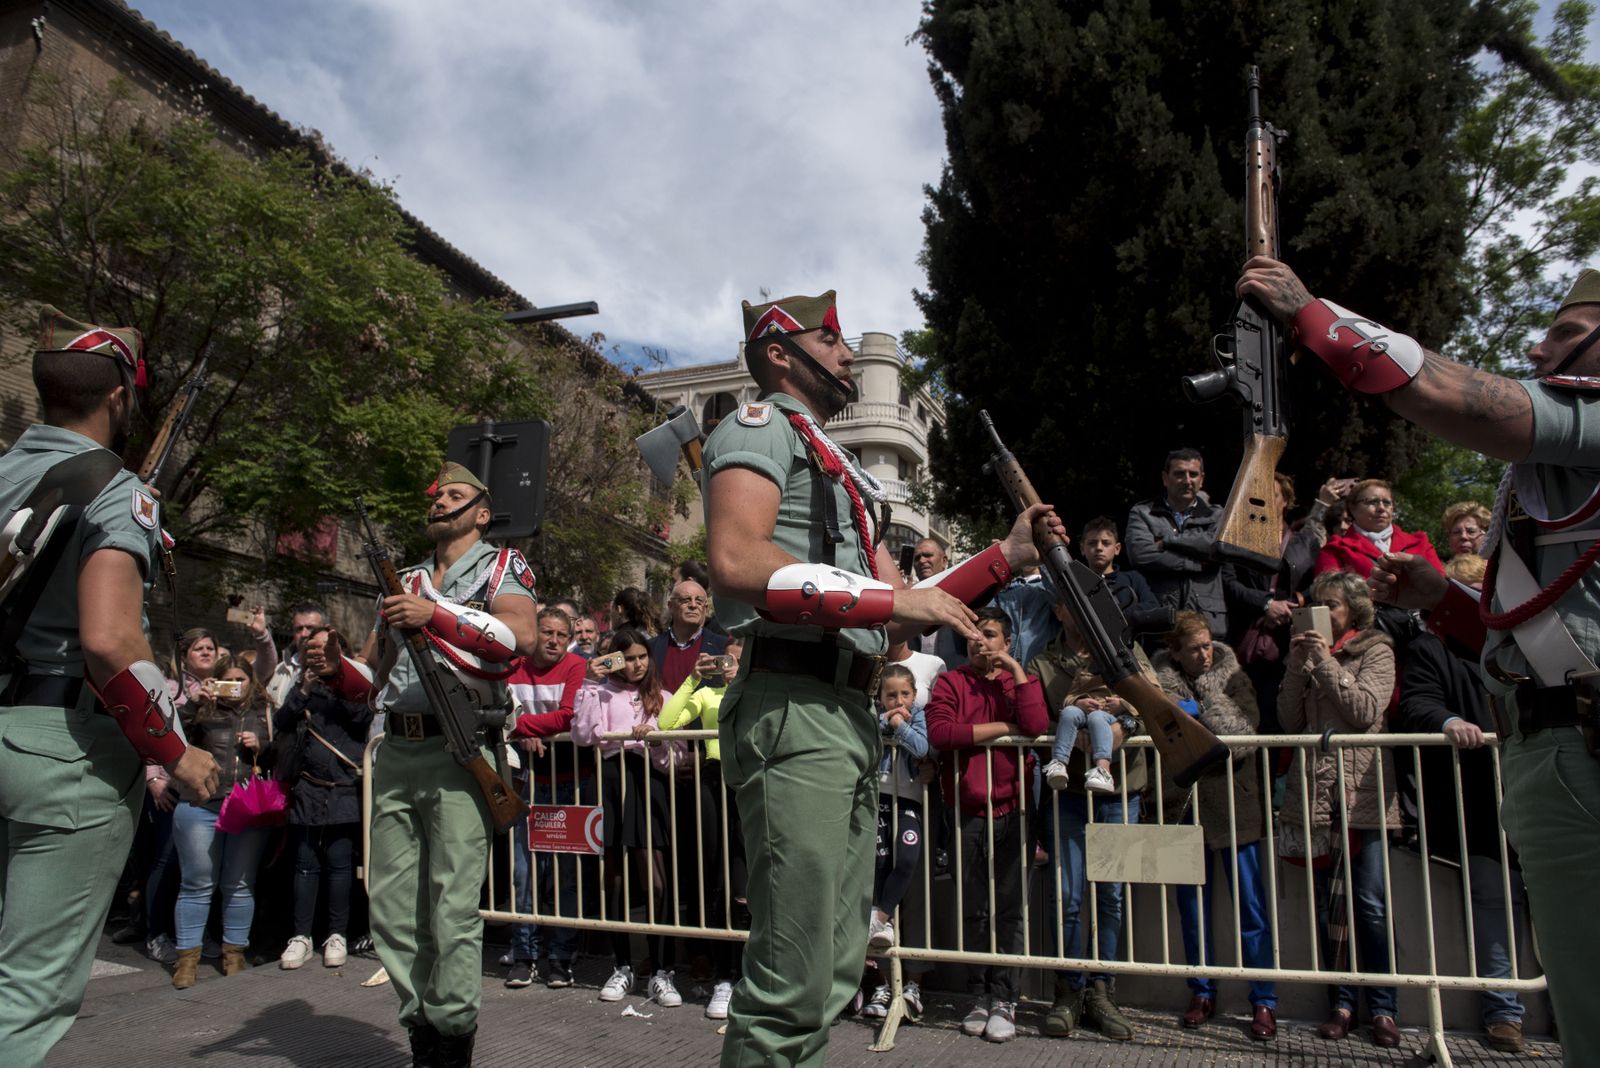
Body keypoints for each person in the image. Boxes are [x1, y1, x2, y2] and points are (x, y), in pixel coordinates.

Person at [1239, 256, 1600, 1065]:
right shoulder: (1552, 478)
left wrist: (1310, 311)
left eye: (1568, 335)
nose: (1539, 352)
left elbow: (1442, 392)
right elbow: (1536, 629)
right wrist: (1443, 598)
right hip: (1553, 744)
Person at [701, 289, 1057, 1066]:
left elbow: (899, 615)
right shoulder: (759, 428)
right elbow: (737, 560)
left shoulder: (843, 473)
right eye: (828, 339)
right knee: (793, 976)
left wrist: (1005, 557)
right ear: (778, 353)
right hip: (794, 703)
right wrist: (896, 598)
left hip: (847, 713)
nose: (846, 354)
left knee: (833, 969)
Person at [0, 309, 219, 1063]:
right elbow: (110, 640)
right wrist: (177, 751)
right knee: (26, 990)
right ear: (119, 396)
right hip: (63, 753)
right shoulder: (117, 490)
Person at [358, 461, 537, 1068]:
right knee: (392, 908)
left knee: (452, 907)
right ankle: (421, 1031)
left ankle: (453, 1035)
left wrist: (432, 614)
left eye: (454, 496)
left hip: (459, 750)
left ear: (481, 513)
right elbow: (377, 668)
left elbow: (522, 636)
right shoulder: (406, 578)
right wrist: (335, 666)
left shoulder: (502, 566)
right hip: (398, 751)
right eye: (437, 496)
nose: (439, 502)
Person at [1397, 577, 1527, 1054]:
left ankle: (1570, 1009)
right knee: (1494, 901)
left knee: (1563, 902)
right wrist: (1450, 721)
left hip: (1542, 788)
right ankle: (1504, 1012)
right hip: (1480, 800)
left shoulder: (1527, 642)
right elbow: (1417, 702)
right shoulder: (1432, 649)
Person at [1277, 571, 1400, 1047]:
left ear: (1354, 610)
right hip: (1318, 796)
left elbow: (1365, 710)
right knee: (1330, 906)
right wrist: (1297, 666)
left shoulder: (1376, 649)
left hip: (1361, 797)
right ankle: (1342, 1004)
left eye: (1333, 605)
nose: (1323, 613)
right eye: (1318, 604)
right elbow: (1288, 720)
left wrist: (1326, 662)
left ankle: (1384, 1008)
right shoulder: (1308, 655)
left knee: (1368, 904)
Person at [1026, 600, 1151, 1043]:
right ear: (1058, 610)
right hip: (1068, 795)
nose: (1078, 611)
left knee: (1111, 896)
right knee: (1068, 896)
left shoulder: (1124, 649)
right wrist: (1067, 726)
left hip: (1121, 791)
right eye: (1068, 603)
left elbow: (1155, 700)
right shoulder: (1042, 661)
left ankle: (1102, 991)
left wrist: (1125, 726)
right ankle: (1069, 991)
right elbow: (1033, 719)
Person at [925, 608, 1050, 1044]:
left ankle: (1006, 999)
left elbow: (1035, 726)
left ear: (1008, 642)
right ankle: (979, 996)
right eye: (974, 635)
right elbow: (942, 733)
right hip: (966, 811)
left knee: (1010, 909)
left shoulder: (1019, 680)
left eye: (991, 635)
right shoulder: (952, 681)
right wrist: (1002, 728)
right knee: (975, 910)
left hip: (1014, 811)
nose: (981, 642)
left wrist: (1014, 670)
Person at [1152, 612, 1278, 1040]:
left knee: (1251, 907)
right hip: (1183, 805)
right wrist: (1176, 708)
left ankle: (1264, 999)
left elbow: (1244, 732)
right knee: (1192, 909)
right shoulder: (1159, 687)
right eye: (1194, 648)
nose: (1204, 654)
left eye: (1207, 645)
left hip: (1234, 805)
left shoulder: (1234, 678)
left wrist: (1199, 706)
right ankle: (1201, 991)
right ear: (1175, 652)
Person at [570, 628, 685, 1007]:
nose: (635, 665)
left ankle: (662, 970)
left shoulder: (664, 697)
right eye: (627, 658)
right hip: (610, 781)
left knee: (655, 879)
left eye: (641, 657)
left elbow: (679, 754)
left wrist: (653, 739)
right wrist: (590, 682)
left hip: (648, 784)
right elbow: (583, 735)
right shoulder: (601, 691)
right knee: (613, 877)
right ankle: (621, 966)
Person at [656, 637, 747, 1020]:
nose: (729, 666)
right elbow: (666, 723)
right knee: (715, 877)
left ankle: (742, 974)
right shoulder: (708, 694)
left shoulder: (756, 692)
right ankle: (723, 976)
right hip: (714, 781)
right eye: (726, 659)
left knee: (743, 882)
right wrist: (693, 678)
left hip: (751, 784)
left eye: (737, 660)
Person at [170, 656, 273, 989]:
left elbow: (282, 752)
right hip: (201, 803)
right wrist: (193, 704)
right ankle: (187, 961)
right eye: (228, 680)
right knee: (197, 884)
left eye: (241, 679)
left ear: (251, 681)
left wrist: (262, 745)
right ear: (215, 681)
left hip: (245, 806)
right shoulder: (202, 709)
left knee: (239, 885)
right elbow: (171, 739)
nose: (235, 686)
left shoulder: (263, 712)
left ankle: (234, 957)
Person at [275, 625, 373, 972]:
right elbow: (282, 721)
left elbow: (362, 718)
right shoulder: (303, 685)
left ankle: (337, 934)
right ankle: (301, 936)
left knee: (340, 865)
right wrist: (303, 688)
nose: (318, 655)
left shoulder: (354, 685)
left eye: (325, 648)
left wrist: (337, 680)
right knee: (305, 864)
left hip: (343, 789)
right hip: (308, 788)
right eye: (312, 649)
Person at [503, 608, 590, 989]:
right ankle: (524, 954)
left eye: (561, 635)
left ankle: (561, 957)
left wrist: (520, 727)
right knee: (525, 874)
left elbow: (569, 716)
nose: (553, 640)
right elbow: (499, 713)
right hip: (527, 785)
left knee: (568, 876)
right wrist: (521, 731)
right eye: (547, 633)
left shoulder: (576, 665)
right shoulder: (512, 665)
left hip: (572, 784)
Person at [1223, 475, 1347, 733]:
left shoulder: (1306, 541)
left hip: (1291, 639)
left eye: (1273, 495)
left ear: (1286, 501)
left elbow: (1319, 584)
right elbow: (1228, 584)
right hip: (1245, 638)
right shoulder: (1235, 541)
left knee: (1282, 714)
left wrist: (1292, 604)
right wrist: (1266, 605)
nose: (1264, 502)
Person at [861, 663, 931, 1023]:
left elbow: (922, 747)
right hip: (878, 800)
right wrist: (885, 721)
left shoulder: (917, 716)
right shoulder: (876, 716)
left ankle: (880, 917)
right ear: (881, 696)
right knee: (879, 865)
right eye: (891, 695)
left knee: (906, 860)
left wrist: (900, 725)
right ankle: (882, 981)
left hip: (908, 801)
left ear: (914, 695)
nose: (898, 700)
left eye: (904, 694)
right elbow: (867, 738)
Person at [1125, 448, 1229, 637]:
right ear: (1165, 478)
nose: (1187, 480)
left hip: (1207, 623)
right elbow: (1141, 554)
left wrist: (1168, 541)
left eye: (1193, 474)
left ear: (1202, 479)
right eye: (1179, 474)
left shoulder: (1218, 515)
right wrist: (1195, 563)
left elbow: (1216, 548)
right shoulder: (1143, 513)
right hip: (1159, 621)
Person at [1315, 478, 1443, 578]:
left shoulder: (1420, 543)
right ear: (1352, 508)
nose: (1381, 508)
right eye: (1372, 502)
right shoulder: (1336, 549)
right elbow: (1329, 594)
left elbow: (1440, 587)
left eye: (1387, 503)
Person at [648, 580, 729, 692]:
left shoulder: (723, 647)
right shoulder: (650, 647)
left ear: (705, 608)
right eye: (686, 600)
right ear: (670, 606)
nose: (693, 605)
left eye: (699, 601)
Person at [910, 537, 969, 669]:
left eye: (927, 555)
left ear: (944, 561)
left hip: (955, 674)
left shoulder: (962, 594)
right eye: (917, 558)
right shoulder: (908, 596)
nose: (922, 561)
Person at [265, 602, 330, 709]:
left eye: (310, 628)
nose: (304, 634)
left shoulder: (339, 670)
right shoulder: (279, 670)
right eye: (299, 629)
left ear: (327, 630)